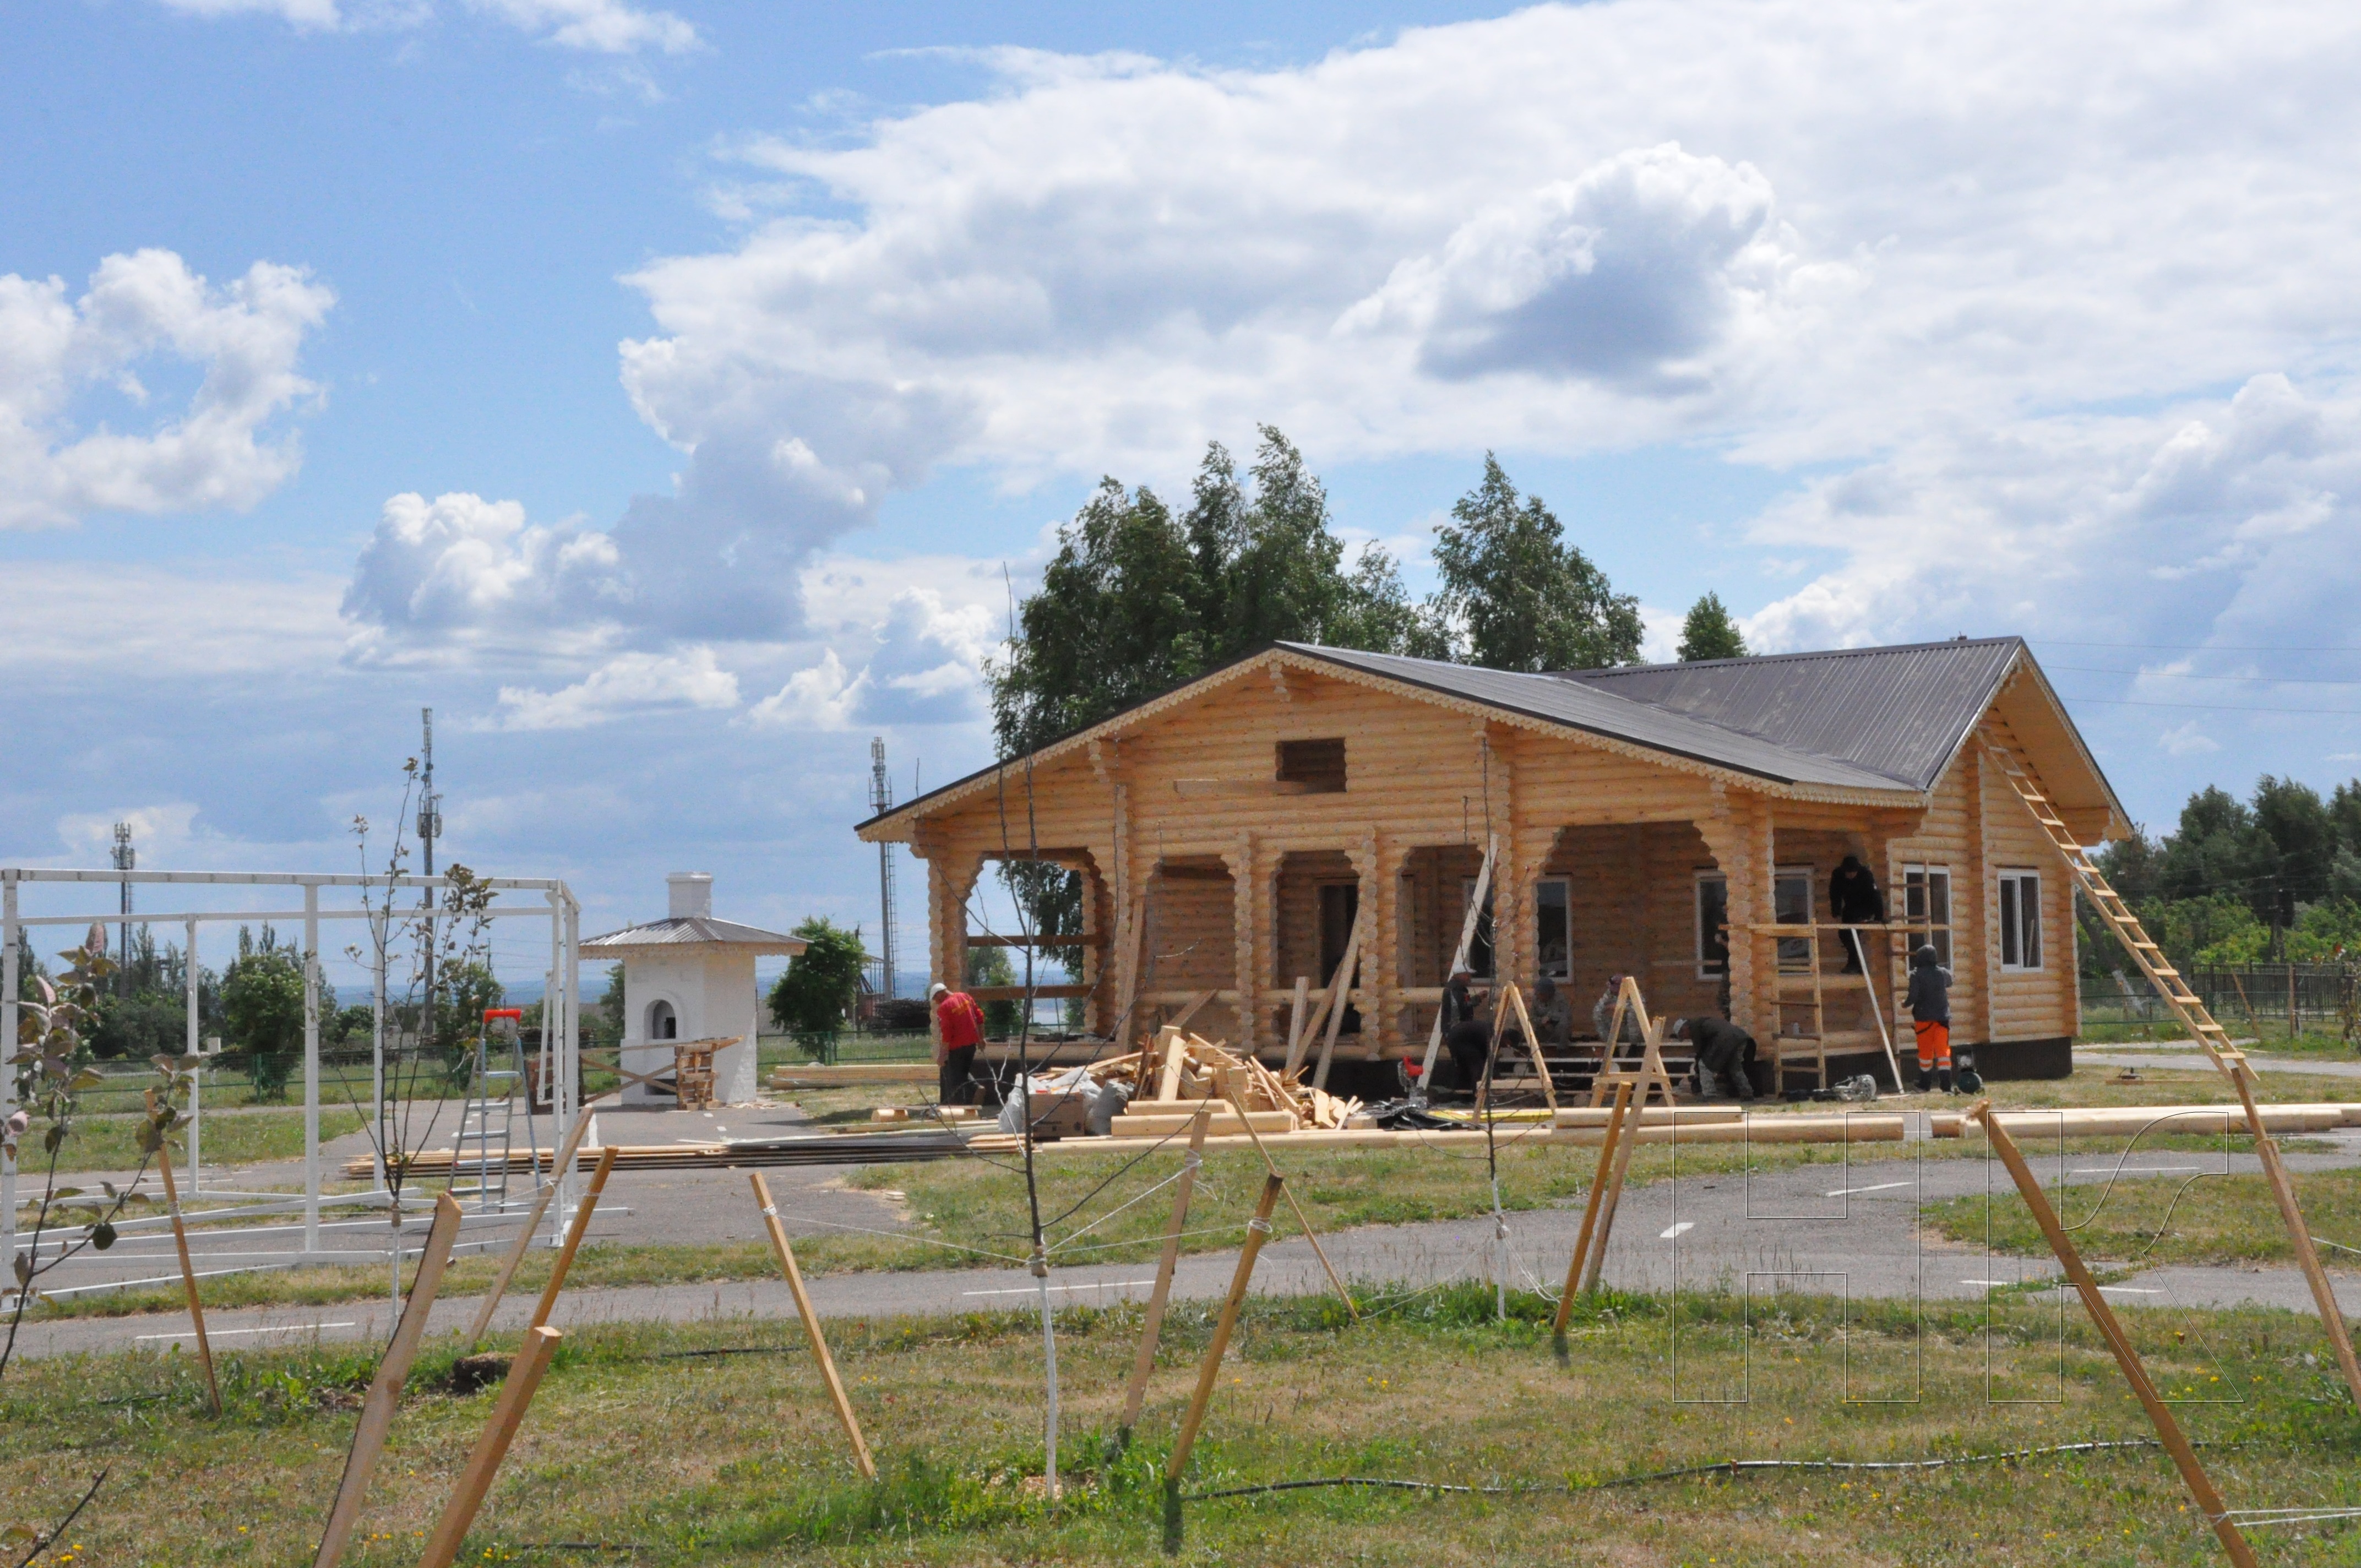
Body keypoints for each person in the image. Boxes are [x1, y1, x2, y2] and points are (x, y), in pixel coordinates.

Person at [1673, 1016, 1756, 1100]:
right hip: (1740, 1037)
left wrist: (1697, 1073)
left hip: (1724, 1040)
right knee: (1735, 1067)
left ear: (1685, 1028)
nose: (1685, 1038)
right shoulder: (1701, 1022)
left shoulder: (1695, 1029)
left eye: (1683, 1035)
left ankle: (1710, 1095)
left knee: (1704, 1065)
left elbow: (1700, 1053)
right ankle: (1747, 1093)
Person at [1906, 943, 1952, 1092]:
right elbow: (1950, 982)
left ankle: (1925, 1085)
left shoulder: (1916, 974)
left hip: (1923, 1019)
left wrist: (1904, 1004)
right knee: (1943, 1052)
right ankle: (1946, 1086)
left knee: (1926, 1053)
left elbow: (1913, 997)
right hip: (1942, 1019)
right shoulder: (1943, 972)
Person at [932, 981, 987, 1105]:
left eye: (936, 998)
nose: (936, 1002)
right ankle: (975, 1090)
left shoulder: (944, 1007)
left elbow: (947, 1032)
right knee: (963, 1072)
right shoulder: (965, 997)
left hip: (957, 1047)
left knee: (956, 1079)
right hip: (971, 1045)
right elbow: (980, 1017)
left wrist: (942, 1054)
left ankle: (961, 1104)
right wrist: (981, 1038)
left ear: (940, 994)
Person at [1829, 855, 1886, 972]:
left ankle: (1855, 964)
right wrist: (1836, 912)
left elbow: (1876, 897)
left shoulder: (1866, 875)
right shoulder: (1838, 875)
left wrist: (1879, 917)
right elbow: (1835, 894)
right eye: (1848, 873)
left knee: (1854, 930)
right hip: (1850, 906)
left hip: (1866, 906)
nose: (1850, 876)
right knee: (1844, 933)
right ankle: (1855, 963)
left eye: (1853, 873)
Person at [1441, 968, 1492, 1095]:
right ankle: (1474, 1092)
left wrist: (1476, 999)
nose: (1470, 978)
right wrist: (1476, 1000)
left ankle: (1463, 1094)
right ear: (1460, 975)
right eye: (1468, 975)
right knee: (1472, 1062)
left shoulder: (1459, 990)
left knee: (1464, 1065)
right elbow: (1459, 1009)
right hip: (1457, 1033)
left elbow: (1462, 1005)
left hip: (1461, 1033)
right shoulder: (1454, 990)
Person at [1591, 974, 1645, 1053]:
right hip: (1619, 1029)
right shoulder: (1610, 993)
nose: (1614, 992)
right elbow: (1598, 1009)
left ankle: (1634, 1046)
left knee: (1632, 1015)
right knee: (1598, 1016)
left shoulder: (1635, 993)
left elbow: (1640, 1009)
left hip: (1635, 1031)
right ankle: (1611, 1045)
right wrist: (1607, 1008)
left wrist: (1620, 1007)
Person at [1529, 977, 1574, 1048]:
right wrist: (1541, 1021)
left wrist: (1550, 1018)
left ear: (1548, 994)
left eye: (1542, 994)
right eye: (1538, 993)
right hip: (1543, 1031)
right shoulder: (1536, 1000)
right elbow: (1532, 1018)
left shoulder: (1559, 999)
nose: (1539, 996)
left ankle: (1562, 1050)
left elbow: (1566, 1016)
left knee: (1565, 1024)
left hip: (1557, 1031)